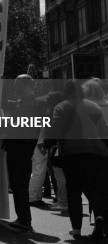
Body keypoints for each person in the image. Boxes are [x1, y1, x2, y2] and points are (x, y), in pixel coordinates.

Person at [46, 80, 108, 241]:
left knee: (74, 192)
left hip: (72, 154)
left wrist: (49, 144)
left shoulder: (62, 107)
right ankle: (100, 217)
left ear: (66, 92)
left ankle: (77, 230)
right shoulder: (94, 107)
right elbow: (103, 131)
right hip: (96, 154)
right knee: (94, 190)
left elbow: (56, 129)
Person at [2, 74, 40, 232]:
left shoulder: (29, 103)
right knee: (19, 184)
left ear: (24, 85)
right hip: (21, 147)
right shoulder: (27, 101)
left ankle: (24, 220)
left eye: (17, 84)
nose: (14, 87)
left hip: (20, 148)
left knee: (19, 184)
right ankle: (23, 218)